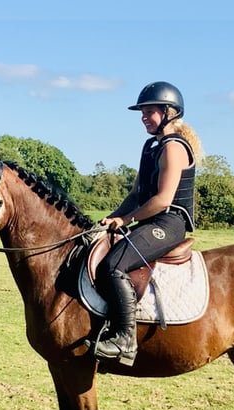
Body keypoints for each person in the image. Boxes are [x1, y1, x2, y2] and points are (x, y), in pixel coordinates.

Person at [91, 81, 204, 366]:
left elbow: (163, 199)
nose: (144, 117)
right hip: (150, 219)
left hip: (169, 222)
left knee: (114, 266)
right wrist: (113, 217)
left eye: (150, 112)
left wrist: (126, 220)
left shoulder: (174, 148)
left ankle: (124, 338)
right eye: (142, 112)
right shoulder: (151, 146)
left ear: (169, 112)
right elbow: (136, 194)